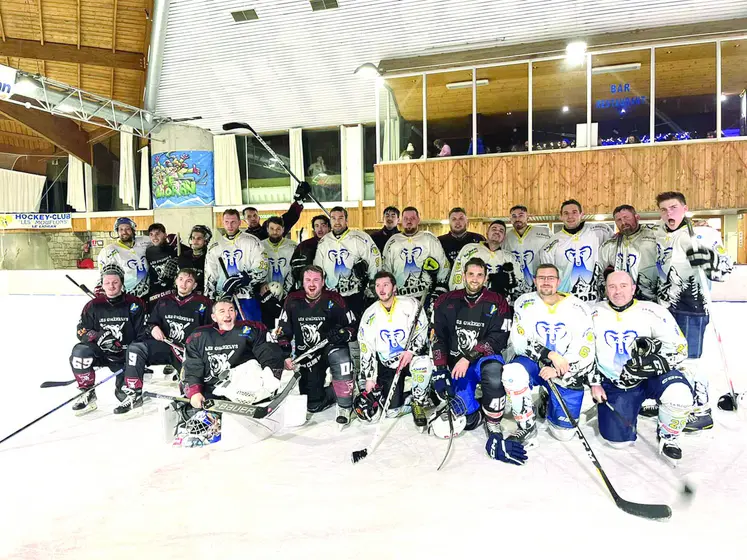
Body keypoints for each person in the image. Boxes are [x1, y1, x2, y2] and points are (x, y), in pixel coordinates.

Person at [591, 271, 692, 460]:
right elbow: (585, 351)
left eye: (623, 286)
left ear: (633, 289)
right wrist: (594, 383)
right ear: (606, 289)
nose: (617, 291)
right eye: (612, 286)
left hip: (651, 377)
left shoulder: (653, 311)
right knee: (618, 442)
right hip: (617, 382)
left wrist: (654, 363)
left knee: (679, 394)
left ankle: (669, 435)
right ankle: (630, 408)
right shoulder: (593, 312)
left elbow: (680, 348)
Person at [654, 191, 733, 431]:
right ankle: (674, 401)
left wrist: (709, 259)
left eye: (674, 207)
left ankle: (701, 410)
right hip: (664, 308)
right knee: (670, 359)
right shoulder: (659, 234)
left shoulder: (703, 234)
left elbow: (725, 268)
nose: (669, 213)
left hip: (693, 308)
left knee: (690, 361)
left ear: (685, 208)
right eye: (664, 209)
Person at [506, 263, 596, 442]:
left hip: (564, 367)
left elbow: (585, 347)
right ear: (534, 280)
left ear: (559, 281)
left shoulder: (579, 307)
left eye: (551, 278)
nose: (546, 282)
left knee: (564, 434)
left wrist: (558, 368)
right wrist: (549, 355)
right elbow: (518, 342)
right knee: (512, 372)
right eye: (541, 278)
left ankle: (548, 397)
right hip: (535, 363)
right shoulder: (524, 302)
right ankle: (526, 425)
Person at [431, 258, 513, 435]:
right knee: (466, 420)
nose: (475, 279)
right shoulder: (446, 301)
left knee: (493, 375)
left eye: (479, 275)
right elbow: (439, 337)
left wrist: (468, 357)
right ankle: (482, 410)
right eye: (471, 274)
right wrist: (439, 370)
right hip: (459, 366)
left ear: (485, 278)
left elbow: (499, 339)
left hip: (485, 359)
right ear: (463, 276)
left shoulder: (497, 301)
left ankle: (493, 419)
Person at [117, 269, 213, 414]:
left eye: (189, 281)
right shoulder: (164, 302)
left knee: (191, 387)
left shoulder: (204, 303)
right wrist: (154, 327)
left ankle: (190, 402)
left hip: (189, 352)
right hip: (166, 346)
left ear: (194, 285)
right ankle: (133, 393)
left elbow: (211, 330)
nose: (183, 284)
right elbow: (149, 323)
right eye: (181, 279)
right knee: (136, 349)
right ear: (175, 280)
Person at [276, 266, 356, 424]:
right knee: (313, 405)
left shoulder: (334, 299)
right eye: (308, 280)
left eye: (316, 280)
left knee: (340, 357)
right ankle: (335, 391)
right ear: (302, 282)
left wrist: (342, 334)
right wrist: (285, 355)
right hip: (307, 356)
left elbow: (353, 327)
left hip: (330, 348)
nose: (311, 284)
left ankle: (345, 404)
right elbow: (282, 332)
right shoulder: (292, 300)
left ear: (323, 282)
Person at [357, 271, 432, 429]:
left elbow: (422, 330)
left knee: (423, 364)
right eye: (378, 285)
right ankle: (409, 399)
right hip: (389, 364)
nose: (381, 289)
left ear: (394, 287)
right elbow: (366, 348)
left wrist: (411, 351)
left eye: (386, 285)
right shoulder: (370, 314)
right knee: (392, 411)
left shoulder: (411, 305)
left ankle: (419, 401)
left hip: (410, 358)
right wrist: (370, 378)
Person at [69, 265, 146, 415]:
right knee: (80, 352)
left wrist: (129, 350)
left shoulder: (135, 304)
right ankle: (87, 391)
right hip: (102, 353)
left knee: (122, 394)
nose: (111, 286)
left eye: (115, 282)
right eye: (107, 282)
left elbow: (143, 332)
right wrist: (100, 337)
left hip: (126, 354)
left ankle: (132, 393)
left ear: (122, 283)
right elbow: (81, 330)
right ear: (102, 284)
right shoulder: (92, 306)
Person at [182, 300, 285, 411]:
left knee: (251, 366)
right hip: (213, 394)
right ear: (214, 317)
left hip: (248, 391)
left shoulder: (251, 330)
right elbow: (191, 367)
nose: (227, 314)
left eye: (231, 310)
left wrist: (272, 376)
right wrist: (194, 392)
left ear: (236, 313)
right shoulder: (198, 336)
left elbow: (269, 352)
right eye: (222, 311)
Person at [313, 206, 381, 325]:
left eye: (340, 218)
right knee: (334, 328)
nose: (337, 222)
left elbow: (375, 258)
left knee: (355, 327)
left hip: (355, 294)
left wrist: (372, 282)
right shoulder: (324, 242)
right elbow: (318, 268)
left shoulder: (360, 237)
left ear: (346, 220)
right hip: (332, 295)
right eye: (333, 218)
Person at [539, 199, 611, 302]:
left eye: (574, 212)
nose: (570, 216)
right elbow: (549, 274)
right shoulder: (552, 243)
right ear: (561, 216)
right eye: (566, 213)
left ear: (582, 214)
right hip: (566, 301)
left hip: (594, 299)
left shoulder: (599, 231)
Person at [205, 209, 269, 322]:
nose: (230, 225)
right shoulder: (215, 246)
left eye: (233, 222)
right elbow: (210, 276)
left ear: (240, 222)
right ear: (223, 222)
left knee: (251, 332)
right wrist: (209, 299)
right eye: (227, 222)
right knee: (225, 334)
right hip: (223, 299)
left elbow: (263, 267)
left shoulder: (252, 241)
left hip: (247, 298)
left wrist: (244, 278)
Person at [381, 206, 450, 301]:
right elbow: (386, 269)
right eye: (406, 219)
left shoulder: (429, 239)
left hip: (425, 296)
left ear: (418, 220)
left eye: (412, 218)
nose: (409, 221)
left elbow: (443, 265)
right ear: (401, 221)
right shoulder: (393, 241)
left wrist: (440, 290)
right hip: (400, 297)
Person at [598, 205, 657, 301]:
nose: (623, 222)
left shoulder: (653, 235)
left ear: (637, 217)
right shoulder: (610, 243)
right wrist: (606, 290)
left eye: (626, 218)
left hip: (650, 297)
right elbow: (598, 270)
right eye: (619, 220)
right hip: (621, 299)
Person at [450, 220, 517, 302]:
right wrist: (458, 298)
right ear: (487, 232)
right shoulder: (469, 249)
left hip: (498, 303)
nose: (497, 232)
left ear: (504, 237)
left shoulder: (509, 257)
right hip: (470, 301)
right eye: (494, 229)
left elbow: (518, 282)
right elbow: (457, 275)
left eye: (501, 231)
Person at [96, 217, 151, 298]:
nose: (124, 232)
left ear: (133, 230)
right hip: (125, 295)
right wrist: (101, 287)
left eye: (127, 229)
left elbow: (160, 241)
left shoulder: (144, 241)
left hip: (147, 292)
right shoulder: (109, 251)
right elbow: (104, 274)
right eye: (121, 229)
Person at [260, 216, 298, 331]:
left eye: (278, 229)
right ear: (267, 229)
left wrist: (288, 290)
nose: (275, 232)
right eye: (272, 228)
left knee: (286, 326)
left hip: (287, 294)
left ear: (283, 229)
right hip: (266, 294)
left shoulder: (293, 246)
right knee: (268, 327)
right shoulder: (260, 246)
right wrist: (261, 284)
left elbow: (295, 270)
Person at [502, 205, 551, 295]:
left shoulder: (544, 232)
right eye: (514, 216)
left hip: (540, 283)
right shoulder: (505, 237)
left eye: (521, 215)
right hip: (515, 286)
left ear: (527, 217)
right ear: (510, 219)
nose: (517, 219)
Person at [242, 181, 311, 241]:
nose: (253, 218)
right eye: (249, 216)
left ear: (259, 217)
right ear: (244, 220)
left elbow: (289, 217)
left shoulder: (269, 227)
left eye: (255, 215)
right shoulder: (243, 237)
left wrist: (298, 201)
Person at [145, 223, 179, 311]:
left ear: (165, 234)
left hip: (173, 293)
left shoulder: (173, 248)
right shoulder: (148, 251)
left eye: (157, 233)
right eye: (151, 234)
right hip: (155, 294)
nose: (154, 237)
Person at [290, 214, 330, 290]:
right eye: (316, 226)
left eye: (323, 225)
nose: (320, 229)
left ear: (329, 227)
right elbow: (294, 266)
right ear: (314, 229)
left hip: (330, 286)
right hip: (310, 287)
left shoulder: (335, 245)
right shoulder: (304, 245)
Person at [178, 225, 212, 294]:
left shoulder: (210, 257)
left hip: (203, 296)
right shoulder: (183, 256)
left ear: (206, 240)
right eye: (193, 238)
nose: (195, 241)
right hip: (185, 295)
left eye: (199, 238)